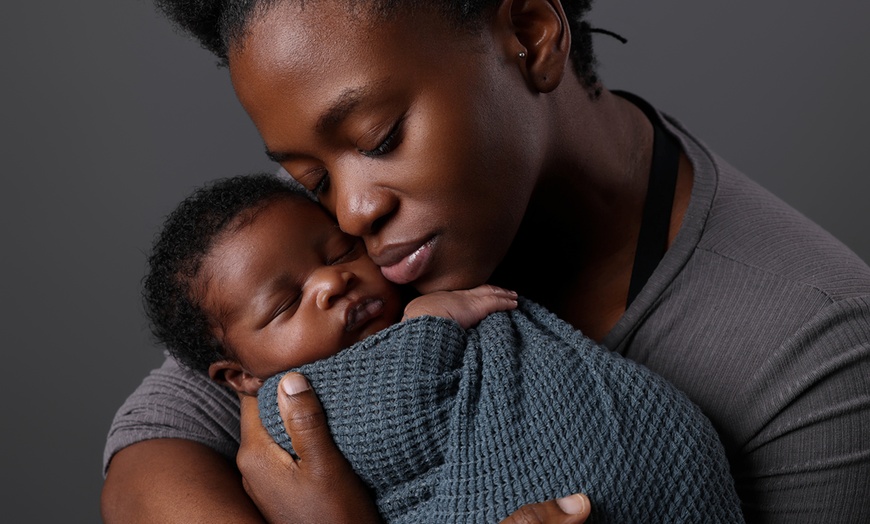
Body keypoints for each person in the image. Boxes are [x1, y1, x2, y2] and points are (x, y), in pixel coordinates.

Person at [101, 0, 870, 522]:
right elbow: (150, 457)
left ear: (531, 36)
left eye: (378, 138)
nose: (352, 212)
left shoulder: (814, 344)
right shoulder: (330, 248)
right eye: (313, 176)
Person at [140, 172, 742, 522]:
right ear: (236, 377)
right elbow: (394, 429)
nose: (332, 283)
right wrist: (428, 327)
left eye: (340, 252)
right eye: (285, 304)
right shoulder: (284, 407)